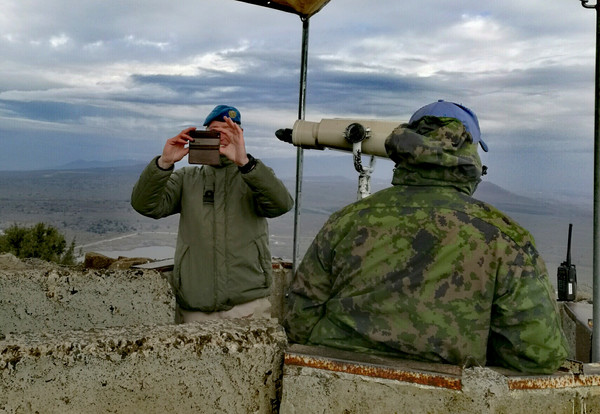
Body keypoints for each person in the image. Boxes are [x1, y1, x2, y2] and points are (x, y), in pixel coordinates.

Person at [283, 100, 569, 374]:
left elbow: (299, 321)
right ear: (469, 156)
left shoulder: (344, 222)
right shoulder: (505, 238)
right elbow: (537, 354)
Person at [131, 105, 294, 323]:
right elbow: (145, 205)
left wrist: (245, 164)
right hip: (195, 308)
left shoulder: (253, 175)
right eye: (215, 132)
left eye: (228, 131)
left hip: (247, 304)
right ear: (204, 135)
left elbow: (281, 204)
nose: (221, 137)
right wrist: (164, 163)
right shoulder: (187, 179)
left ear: (239, 135)